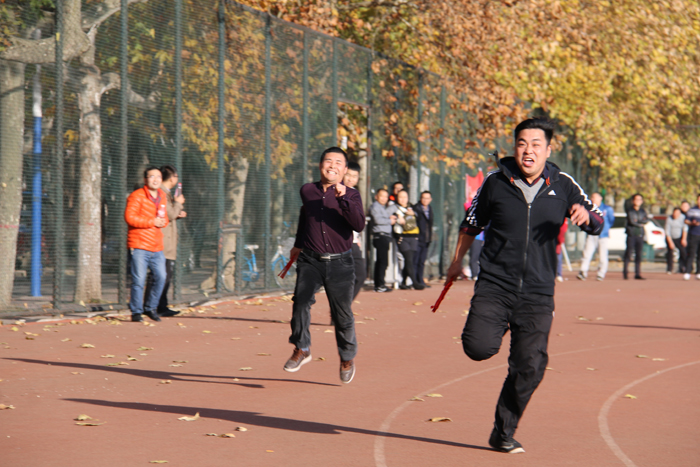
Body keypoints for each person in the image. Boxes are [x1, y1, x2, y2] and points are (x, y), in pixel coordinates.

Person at [445, 118, 603, 454]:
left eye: (535, 144)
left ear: (548, 149)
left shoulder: (564, 184)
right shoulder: (494, 183)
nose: (528, 150)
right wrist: (456, 262)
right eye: (521, 143)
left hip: (538, 292)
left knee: (530, 366)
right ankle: (497, 324)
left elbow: (597, 220)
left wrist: (586, 216)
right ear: (515, 147)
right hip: (495, 284)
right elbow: (470, 224)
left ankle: (503, 431)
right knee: (477, 347)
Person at [284, 147, 365, 384]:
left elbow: (358, 224)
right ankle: (302, 348)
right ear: (321, 166)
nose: (332, 165)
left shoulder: (352, 195)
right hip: (310, 260)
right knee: (300, 302)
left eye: (338, 162)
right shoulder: (307, 190)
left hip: (340, 263)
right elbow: (305, 216)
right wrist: (298, 244)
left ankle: (347, 357)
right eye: (328, 161)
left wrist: (343, 199)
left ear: (345, 169)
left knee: (342, 314)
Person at [125, 167, 169, 322]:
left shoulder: (162, 196)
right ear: (145, 179)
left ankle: (150, 308)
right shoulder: (136, 196)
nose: (155, 179)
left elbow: (164, 218)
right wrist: (152, 222)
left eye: (158, 177)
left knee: (161, 277)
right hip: (139, 245)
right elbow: (130, 218)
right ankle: (136, 312)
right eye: (152, 176)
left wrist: (163, 221)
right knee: (138, 280)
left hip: (157, 246)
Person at [144, 165, 186, 317]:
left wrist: (177, 211)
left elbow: (168, 215)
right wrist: (178, 203)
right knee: (159, 275)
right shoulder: (162, 193)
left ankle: (161, 305)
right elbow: (170, 213)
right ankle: (150, 306)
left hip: (167, 241)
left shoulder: (165, 193)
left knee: (165, 275)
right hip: (161, 241)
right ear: (172, 177)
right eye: (176, 176)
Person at [577, 192, 615, 281]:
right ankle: (583, 271)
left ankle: (601, 273)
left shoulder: (607, 209)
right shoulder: (589, 208)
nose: (593, 199)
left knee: (603, 255)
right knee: (587, 253)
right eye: (592, 197)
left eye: (595, 197)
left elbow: (611, 221)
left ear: (600, 198)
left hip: (603, 235)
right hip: (591, 234)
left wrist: (605, 229)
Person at [343, 162, 366, 299]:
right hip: (338, 242)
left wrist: (358, 238)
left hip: (353, 242)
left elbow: (358, 218)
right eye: (348, 175)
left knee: (360, 275)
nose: (351, 178)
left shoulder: (356, 194)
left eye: (354, 176)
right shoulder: (333, 191)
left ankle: (342, 308)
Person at [393, 190, 424, 290]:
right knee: (409, 259)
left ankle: (403, 282)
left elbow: (420, 218)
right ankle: (415, 282)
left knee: (409, 261)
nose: (403, 199)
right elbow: (391, 218)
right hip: (403, 237)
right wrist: (398, 217)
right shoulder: (394, 208)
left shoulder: (413, 207)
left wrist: (414, 213)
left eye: (405, 197)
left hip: (413, 237)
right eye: (400, 197)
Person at [370, 189, 397, 292]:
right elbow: (378, 220)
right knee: (382, 262)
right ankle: (380, 285)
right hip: (380, 236)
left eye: (386, 196)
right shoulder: (375, 206)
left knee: (382, 261)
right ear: (376, 196)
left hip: (385, 236)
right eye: (382, 196)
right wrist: (389, 220)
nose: (384, 198)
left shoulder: (382, 207)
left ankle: (379, 284)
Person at [623, 193, 649, 280]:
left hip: (640, 234)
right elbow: (632, 221)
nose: (638, 201)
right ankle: (625, 272)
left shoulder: (642, 211)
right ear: (633, 201)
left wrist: (639, 221)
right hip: (631, 234)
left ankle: (637, 273)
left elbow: (646, 219)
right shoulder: (630, 210)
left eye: (639, 199)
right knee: (628, 253)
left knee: (639, 255)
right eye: (636, 199)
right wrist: (640, 223)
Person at [413, 191, 433, 288]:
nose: (425, 200)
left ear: (430, 199)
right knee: (415, 261)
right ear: (420, 198)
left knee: (422, 261)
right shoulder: (416, 208)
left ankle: (420, 280)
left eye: (427, 198)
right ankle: (414, 281)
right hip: (417, 238)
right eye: (423, 198)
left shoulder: (430, 209)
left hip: (426, 239)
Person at [664, 207, 688, 275]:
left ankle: (684, 268)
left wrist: (684, 239)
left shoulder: (683, 218)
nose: (676, 214)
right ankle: (669, 269)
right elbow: (667, 231)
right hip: (670, 238)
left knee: (683, 252)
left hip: (679, 238)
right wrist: (670, 242)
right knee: (670, 253)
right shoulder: (669, 218)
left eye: (678, 213)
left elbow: (685, 229)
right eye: (675, 213)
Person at [684, 194, 700, 280]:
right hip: (693, 235)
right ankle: (687, 272)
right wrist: (692, 223)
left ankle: (698, 272)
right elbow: (686, 221)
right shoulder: (692, 210)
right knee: (691, 254)